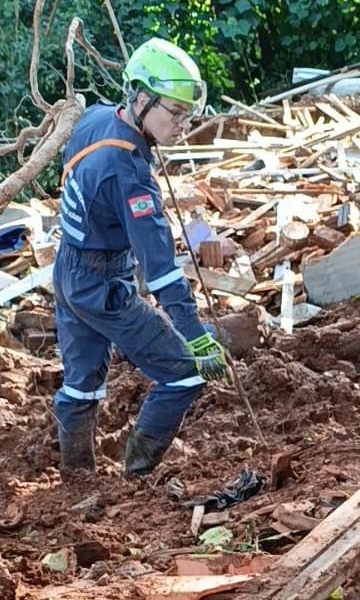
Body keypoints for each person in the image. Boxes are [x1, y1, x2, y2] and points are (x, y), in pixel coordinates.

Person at [53, 37, 230, 476]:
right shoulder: (130, 175)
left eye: (186, 114)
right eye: (174, 112)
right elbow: (161, 271)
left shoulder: (96, 118)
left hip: (68, 268)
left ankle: (77, 478)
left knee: (82, 385)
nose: (181, 124)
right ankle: (136, 475)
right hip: (102, 284)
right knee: (185, 375)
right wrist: (194, 335)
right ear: (140, 96)